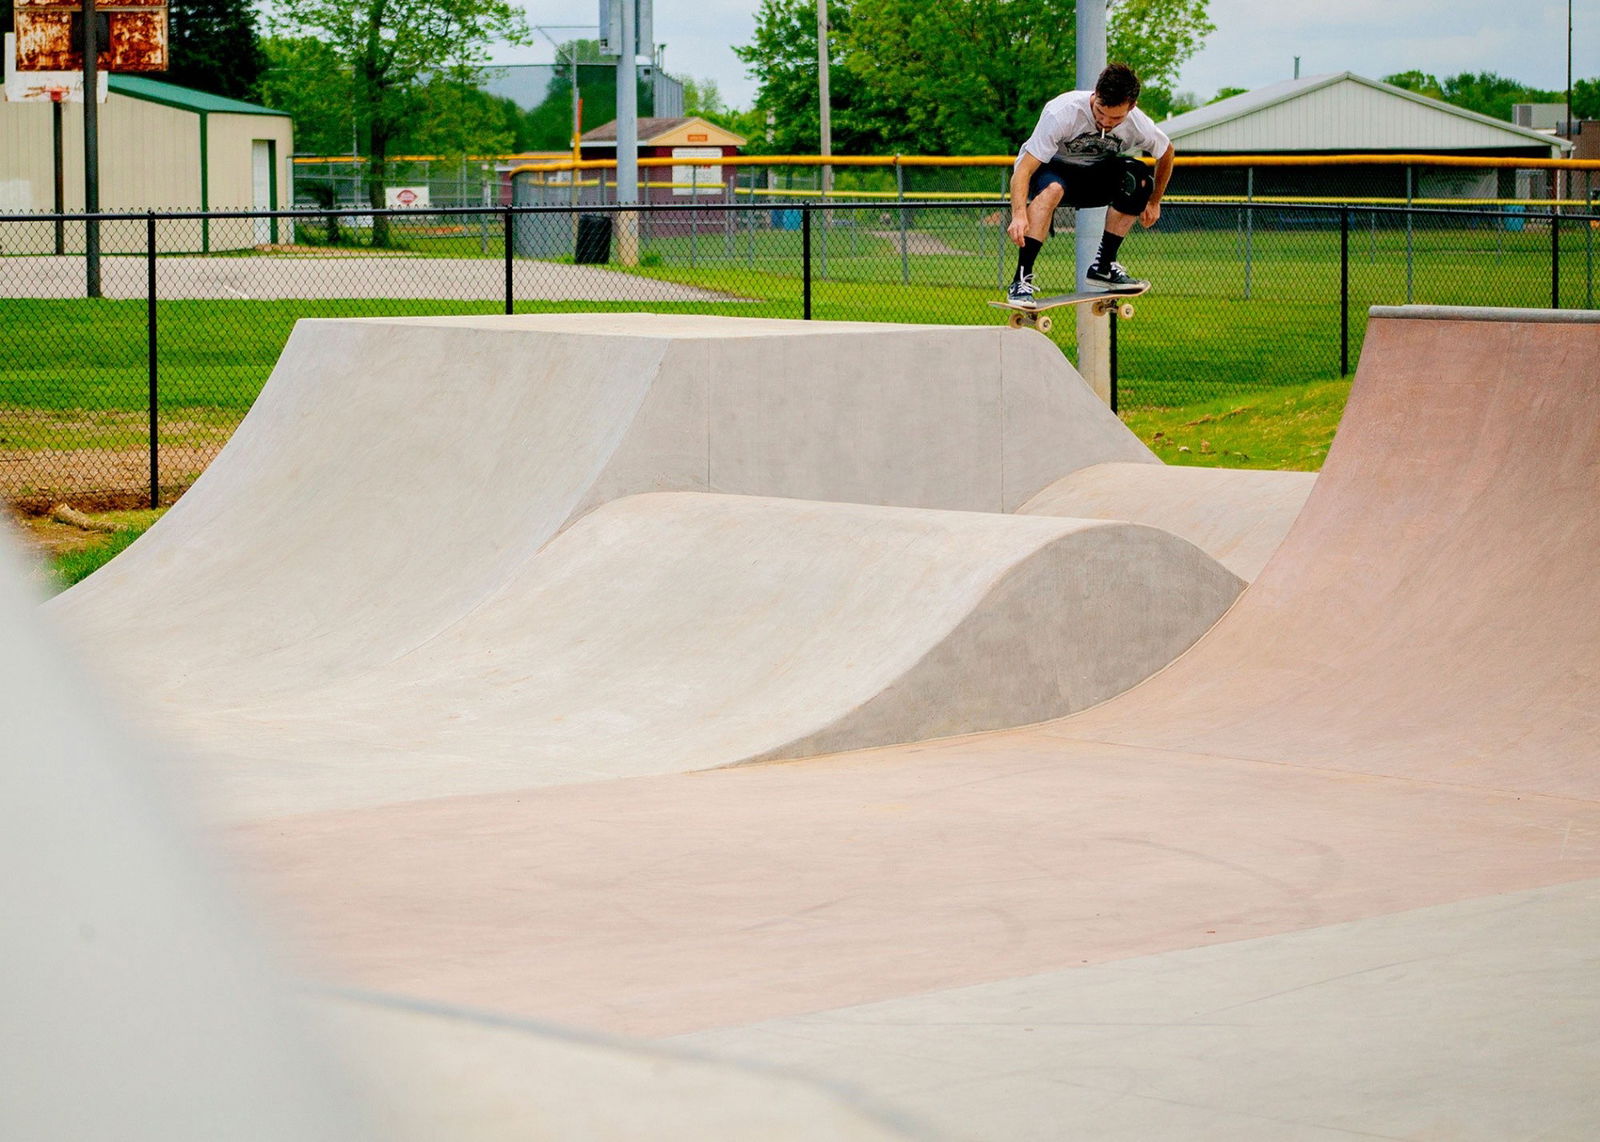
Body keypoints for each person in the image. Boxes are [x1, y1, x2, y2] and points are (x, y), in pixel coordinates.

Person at [1006, 63, 1176, 304]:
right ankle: (1021, 281)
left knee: (1137, 175)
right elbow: (1023, 170)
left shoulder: (1138, 122)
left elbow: (1166, 152)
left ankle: (1104, 266)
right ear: (1095, 95)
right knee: (1053, 189)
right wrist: (1019, 213)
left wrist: (1155, 201)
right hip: (1052, 171)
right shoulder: (1062, 112)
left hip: (1092, 176)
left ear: (1132, 106)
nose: (1106, 122)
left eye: (1116, 117)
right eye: (1100, 112)